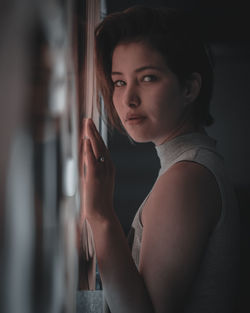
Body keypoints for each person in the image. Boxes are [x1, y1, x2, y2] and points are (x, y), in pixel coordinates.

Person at [79, 6, 240, 313]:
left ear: (189, 88)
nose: (128, 99)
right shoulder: (191, 167)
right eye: (119, 82)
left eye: (148, 78)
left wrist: (101, 216)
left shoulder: (187, 177)